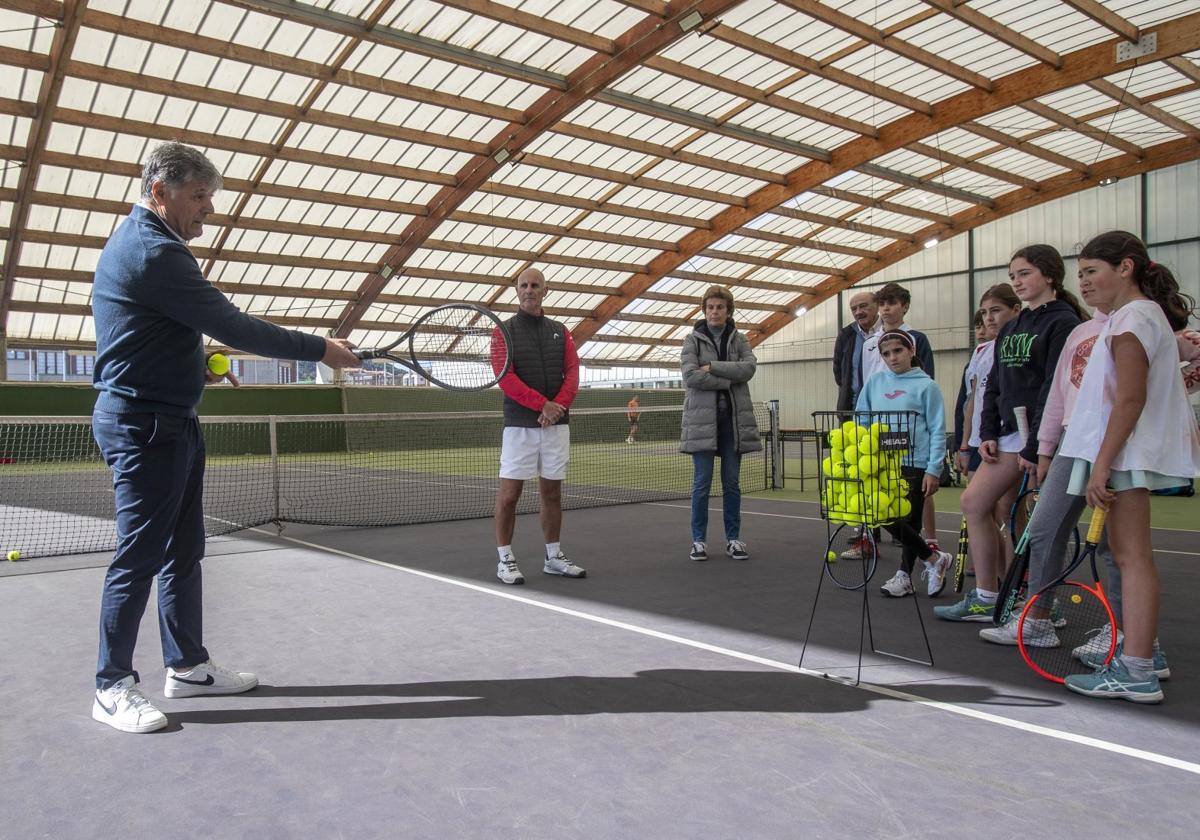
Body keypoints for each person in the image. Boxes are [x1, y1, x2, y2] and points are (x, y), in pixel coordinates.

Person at [89, 142, 361, 734]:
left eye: (209, 197)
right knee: (138, 557)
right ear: (160, 193)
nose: (207, 210)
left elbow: (163, 332)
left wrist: (200, 360)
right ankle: (111, 685)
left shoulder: (149, 245)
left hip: (172, 419)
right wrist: (321, 348)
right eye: (198, 197)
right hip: (144, 425)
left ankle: (186, 666)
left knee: (184, 551)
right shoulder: (154, 252)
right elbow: (233, 322)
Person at [1058, 232, 1200, 703]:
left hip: (1124, 456)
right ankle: (1144, 656)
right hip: (1123, 455)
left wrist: (1102, 464)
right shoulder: (1133, 316)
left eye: (1092, 271)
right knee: (1126, 554)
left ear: (1126, 268)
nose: (1084, 282)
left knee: (1131, 557)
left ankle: (1136, 668)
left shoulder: (1134, 318)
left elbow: (1130, 398)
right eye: (1080, 275)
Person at [936, 246, 1087, 623]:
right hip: (1005, 438)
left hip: (1042, 440)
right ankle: (989, 597)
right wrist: (985, 432)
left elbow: (1055, 388)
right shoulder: (1011, 330)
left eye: (1025, 273)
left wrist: (1038, 446)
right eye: (1014, 275)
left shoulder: (1063, 322)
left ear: (1050, 276)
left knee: (1034, 524)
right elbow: (994, 387)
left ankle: (1036, 605)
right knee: (976, 504)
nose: (1018, 281)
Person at [493, 268, 586, 586]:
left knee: (552, 493)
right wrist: (541, 405)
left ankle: (553, 557)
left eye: (535, 285)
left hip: (556, 426)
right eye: (523, 285)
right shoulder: (502, 332)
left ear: (546, 290)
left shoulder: (561, 331)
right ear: (516, 290)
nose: (529, 290)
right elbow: (505, 378)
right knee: (509, 496)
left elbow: (572, 371)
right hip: (519, 427)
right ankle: (505, 559)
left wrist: (556, 408)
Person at [855, 331, 953, 597]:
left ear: (911, 351)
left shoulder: (927, 386)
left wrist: (934, 468)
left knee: (910, 519)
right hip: (881, 463)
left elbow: (936, 428)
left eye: (897, 351)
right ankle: (933, 559)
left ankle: (903, 576)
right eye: (886, 353)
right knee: (881, 514)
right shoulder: (874, 383)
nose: (892, 358)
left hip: (916, 462)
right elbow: (862, 420)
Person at [681, 285, 761, 562]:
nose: (715, 311)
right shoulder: (691, 340)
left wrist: (712, 367)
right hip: (702, 423)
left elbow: (749, 368)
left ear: (728, 311)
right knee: (701, 483)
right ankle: (699, 541)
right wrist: (730, 376)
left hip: (734, 424)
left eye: (720, 307)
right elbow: (690, 376)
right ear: (705, 311)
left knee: (732, 484)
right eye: (710, 307)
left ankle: (734, 539)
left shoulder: (740, 339)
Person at [833, 290, 880, 412]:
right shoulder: (846, 334)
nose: (858, 312)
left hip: (883, 407)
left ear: (877, 305)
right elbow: (838, 372)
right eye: (854, 309)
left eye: (863, 306)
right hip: (852, 409)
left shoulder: (890, 331)